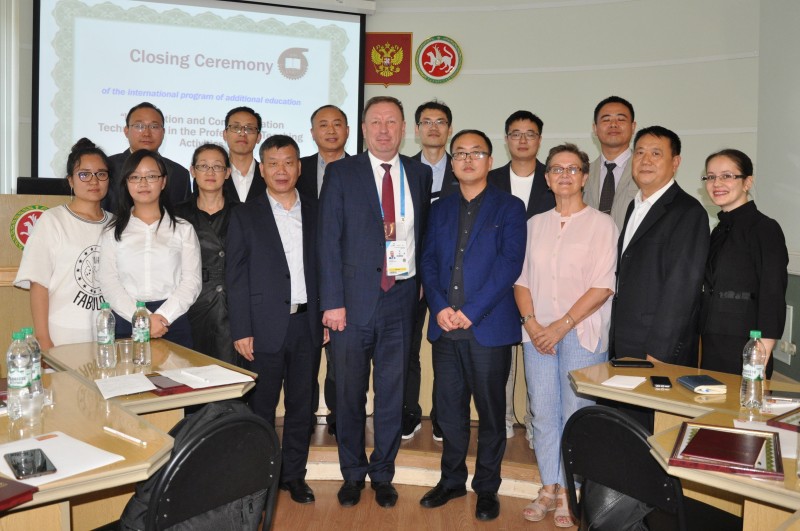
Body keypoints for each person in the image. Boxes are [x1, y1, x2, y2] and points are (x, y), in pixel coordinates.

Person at [318, 96, 432, 508]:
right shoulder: (341, 172)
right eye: (376, 122)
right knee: (349, 394)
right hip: (350, 304)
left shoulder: (419, 174)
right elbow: (328, 239)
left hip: (400, 300)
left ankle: (383, 473)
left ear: (404, 129)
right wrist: (332, 302)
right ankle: (352, 474)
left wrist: (420, 284)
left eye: (392, 122)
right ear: (364, 129)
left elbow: (422, 235)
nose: (384, 129)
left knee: (392, 393)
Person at [419, 130, 526, 521]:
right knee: (449, 413)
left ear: (490, 161)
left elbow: (509, 265)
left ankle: (487, 487)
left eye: (476, 153)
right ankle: (451, 481)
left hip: (487, 328)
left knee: (492, 414)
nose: (467, 159)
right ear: (452, 164)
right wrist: (439, 305)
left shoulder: (510, 207)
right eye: (460, 153)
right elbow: (428, 261)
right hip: (446, 328)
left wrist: (472, 310)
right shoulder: (440, 208)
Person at [514, 143, 618, 527]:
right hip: (537, 334)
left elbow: (603, 286)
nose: (564, 175)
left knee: (576, 413)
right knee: (542, 411)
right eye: (556, 169)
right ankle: (548, 486)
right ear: (547, 178)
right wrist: (532, 324)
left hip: (581, 334)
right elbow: (521, 280)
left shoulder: (602, 225)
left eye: (572, 169)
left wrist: (561, 326)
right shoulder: (533, 225)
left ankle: (570, 491)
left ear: (585, 177)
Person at [226, 135, 324, 505]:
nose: (281, 170)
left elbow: (326, 266)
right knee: (261, 408)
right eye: (273, 163)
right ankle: (260, 480)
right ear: (262, 169)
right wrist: (242, 329)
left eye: (288, 162)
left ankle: (293, 476)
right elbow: (235, 276)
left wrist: (326, 315)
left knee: (302, 405)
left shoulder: (316, 209)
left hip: (307, 324)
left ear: (299, 167)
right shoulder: (244, 214)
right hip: (261, 327)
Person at [611, 126, 709, 431]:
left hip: (656, 348)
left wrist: (659, 352)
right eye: (639, 152)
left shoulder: (687, 211)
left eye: (656, 153)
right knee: (627, 427)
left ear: (675, 162)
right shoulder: (634, 205)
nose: (646, 160)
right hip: (625, 340)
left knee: (655, 432)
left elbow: (683, 287)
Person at [489, 110, 555, 441]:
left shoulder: (554, 178)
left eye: (530, 134)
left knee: (537, 353)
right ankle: (501, 419)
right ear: (506, 140)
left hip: (542, 282)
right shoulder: (491, 179)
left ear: (539, 140)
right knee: (502, 356)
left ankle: (534, 422)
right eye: (516, 133)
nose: (523, 140)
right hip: (500, 282)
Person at [98, 150, 201, 349]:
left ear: (163, 182)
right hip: (126, 319)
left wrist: (162, 316)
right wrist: (140, 318)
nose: (143, 183)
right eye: (135, 177)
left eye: (151, 176)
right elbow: (109, 282)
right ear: (126, 183)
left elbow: (192, 281)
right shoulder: (112, 231)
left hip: (171, 320)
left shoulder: (183, 229)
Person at [14, 138, 111, 349]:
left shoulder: (115, 224)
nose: (94, 181)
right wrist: (43, 338)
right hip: (62, 336)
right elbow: (39, 284)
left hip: (108, 336)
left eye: (101, 174)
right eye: (84, 174)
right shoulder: (52, 220)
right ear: (70, 181)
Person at [699, 149, 788, 377]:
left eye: (727, 176)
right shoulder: (718, 230)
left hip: (747, 344)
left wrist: (761, 354)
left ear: (747, 182)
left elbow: (772, 293)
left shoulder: (764, 228)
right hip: (711, 338)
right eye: (711, 177)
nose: (717, 183)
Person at [404, 99, 460, 441]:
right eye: (426, 122)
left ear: (449, 129)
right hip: (408, 275)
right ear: (416, 129)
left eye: (440, 122)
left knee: (446, 351)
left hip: (451, 277)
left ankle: (443, 416)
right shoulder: (402, 170)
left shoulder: (464, 170)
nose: (433, 127)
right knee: (405, 348)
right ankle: (408, 413)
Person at [297, 104, 350, 438]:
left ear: (348, 130)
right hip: (301, 276)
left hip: (344, 278)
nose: (330, 130)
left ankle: (339, 415)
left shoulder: (361, 169)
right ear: (312, 132)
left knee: (341, 355)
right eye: (323, 125)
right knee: (304, 354)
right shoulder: (296, 168)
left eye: (337, 124)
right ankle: (302, 417)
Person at [175, 144, 238, 365]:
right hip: (190, 307)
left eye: (217, 166)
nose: (210, 172)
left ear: (227, 172)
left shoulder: (243, 212)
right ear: (192, 170)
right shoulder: (175, 214)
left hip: (232, 309)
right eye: (203, 166)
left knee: (231, 377)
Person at [105, 102, 192, 211]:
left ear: (163, 132)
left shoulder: (180, 174)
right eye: (139, 126)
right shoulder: (107, 168)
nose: (147, 133)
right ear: (126, 131)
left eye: (154, 126)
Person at [583, 96, 639, 230]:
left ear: (633, 127)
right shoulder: (584, 173)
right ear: (595, 129)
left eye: (621, 119)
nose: (613, 124)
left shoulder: (645, 171)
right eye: (606, 119)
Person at [221, 106, 265, 203]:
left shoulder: (269, 176)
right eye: (236, 128)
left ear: (258, 137)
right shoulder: (212, 175)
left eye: (249, 129)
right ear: (225, 134)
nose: (242, 134)